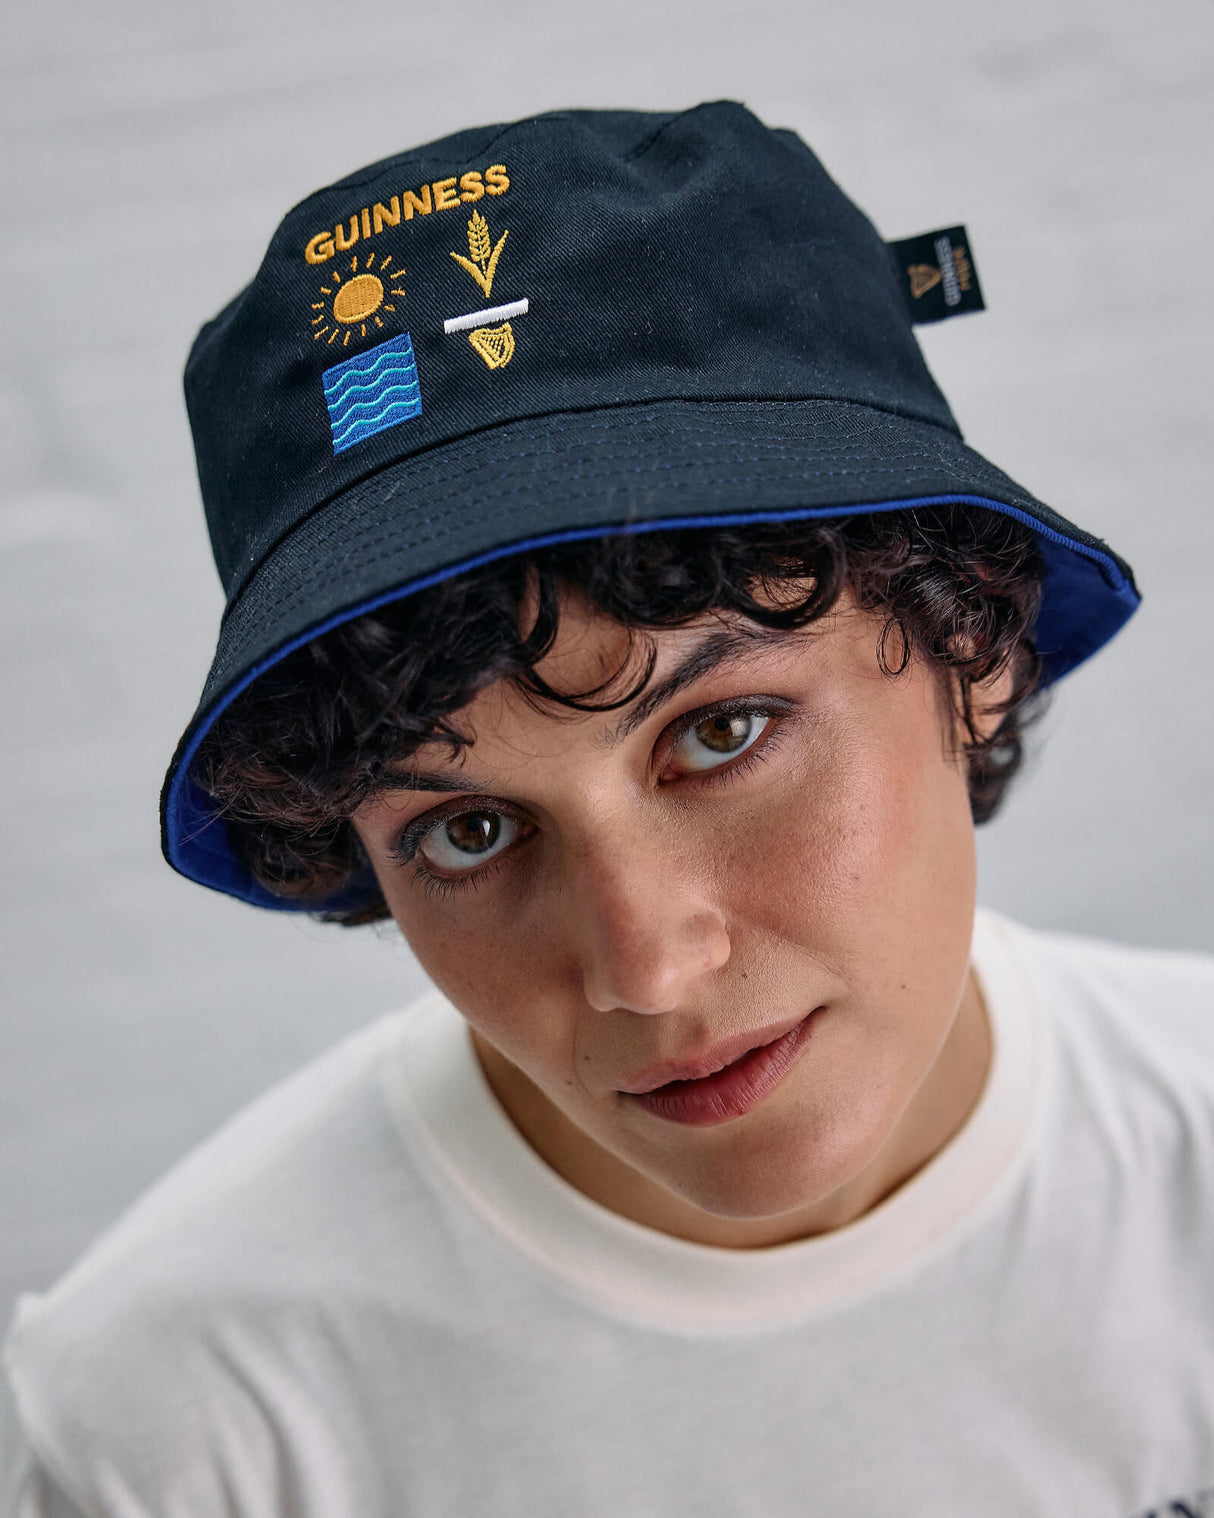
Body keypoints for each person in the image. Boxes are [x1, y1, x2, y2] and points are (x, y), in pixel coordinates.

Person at [3, 101, 1212, 1518]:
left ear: (975, 656)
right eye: (466, 830)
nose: (643, 967)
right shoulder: (181, 1419)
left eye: (720, 732)